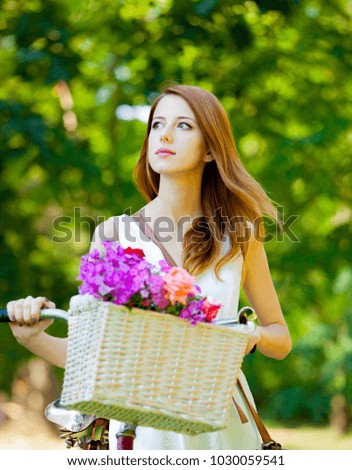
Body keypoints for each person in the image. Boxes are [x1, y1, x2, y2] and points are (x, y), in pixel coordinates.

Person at [7, 84, 292, 450]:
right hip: (143, 436)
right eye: (157, 124)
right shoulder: (113, 234)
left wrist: (250, 337)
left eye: (184, 126)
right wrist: (32, 336)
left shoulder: (240, 236)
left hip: (223, 430)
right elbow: (94, 360)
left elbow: (280, 339)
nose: (165, 135)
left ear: (210, 149)